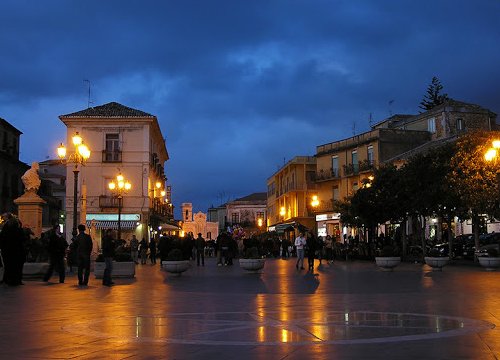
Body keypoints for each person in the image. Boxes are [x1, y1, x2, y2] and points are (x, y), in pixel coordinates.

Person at [0, 213, 26, 286]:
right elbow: (23, 239)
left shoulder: (6, 229)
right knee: (16, 266)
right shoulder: (18, 230)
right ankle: (16, 280)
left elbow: (2, 239)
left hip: (7, 250)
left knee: (8, 266)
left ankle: (8, 280)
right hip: (17, 251)